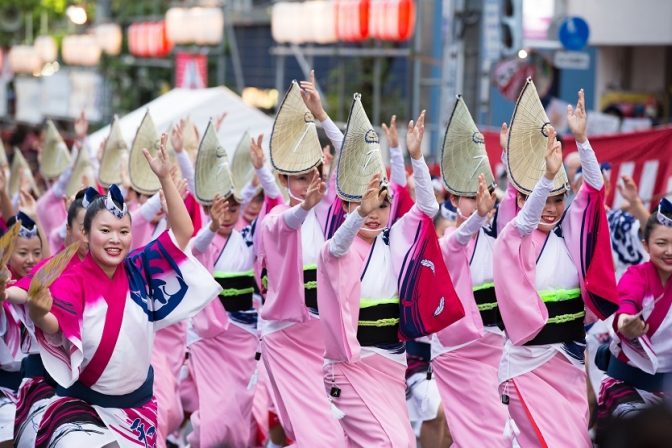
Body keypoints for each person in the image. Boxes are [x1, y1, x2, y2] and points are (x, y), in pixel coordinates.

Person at [27, 135, 221, 447]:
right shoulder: (72, 279)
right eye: (105, 231)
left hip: (136, 410)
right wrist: (38, 310)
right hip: (82, 407)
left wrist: (164, 178)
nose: (115, 239)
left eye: (123, 232)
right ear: (86, 236)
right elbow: (54, 325)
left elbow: (183, 231)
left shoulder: (141, 267)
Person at [493, 89, 618, 447]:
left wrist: (582, 139)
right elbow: (525, 220)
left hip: (569, 362)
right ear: (521, 199)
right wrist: (546, 179)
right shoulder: (512, 239)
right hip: (527, 366)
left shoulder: (571, 235)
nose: (551, 208)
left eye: (558, 200)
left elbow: (595, 189)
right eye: (543, 201)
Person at [187, 133, 280, 448]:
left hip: (244, 336)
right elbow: (197, 247)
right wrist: (210, 225)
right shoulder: (202, 237)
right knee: (215, 414)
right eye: (220, 208)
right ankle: (199, 440)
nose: (226, 214)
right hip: (210, 337)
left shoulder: (250, 237)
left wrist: (262, 169)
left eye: (233, 208)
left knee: (240, 412)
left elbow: (276, 204)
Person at [595, 197, 672, 438]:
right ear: (646, 246)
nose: (670, 251)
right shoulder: (636, 276)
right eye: (662, 243)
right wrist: (626, 324)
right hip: (625, 386)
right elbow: (626, 306)